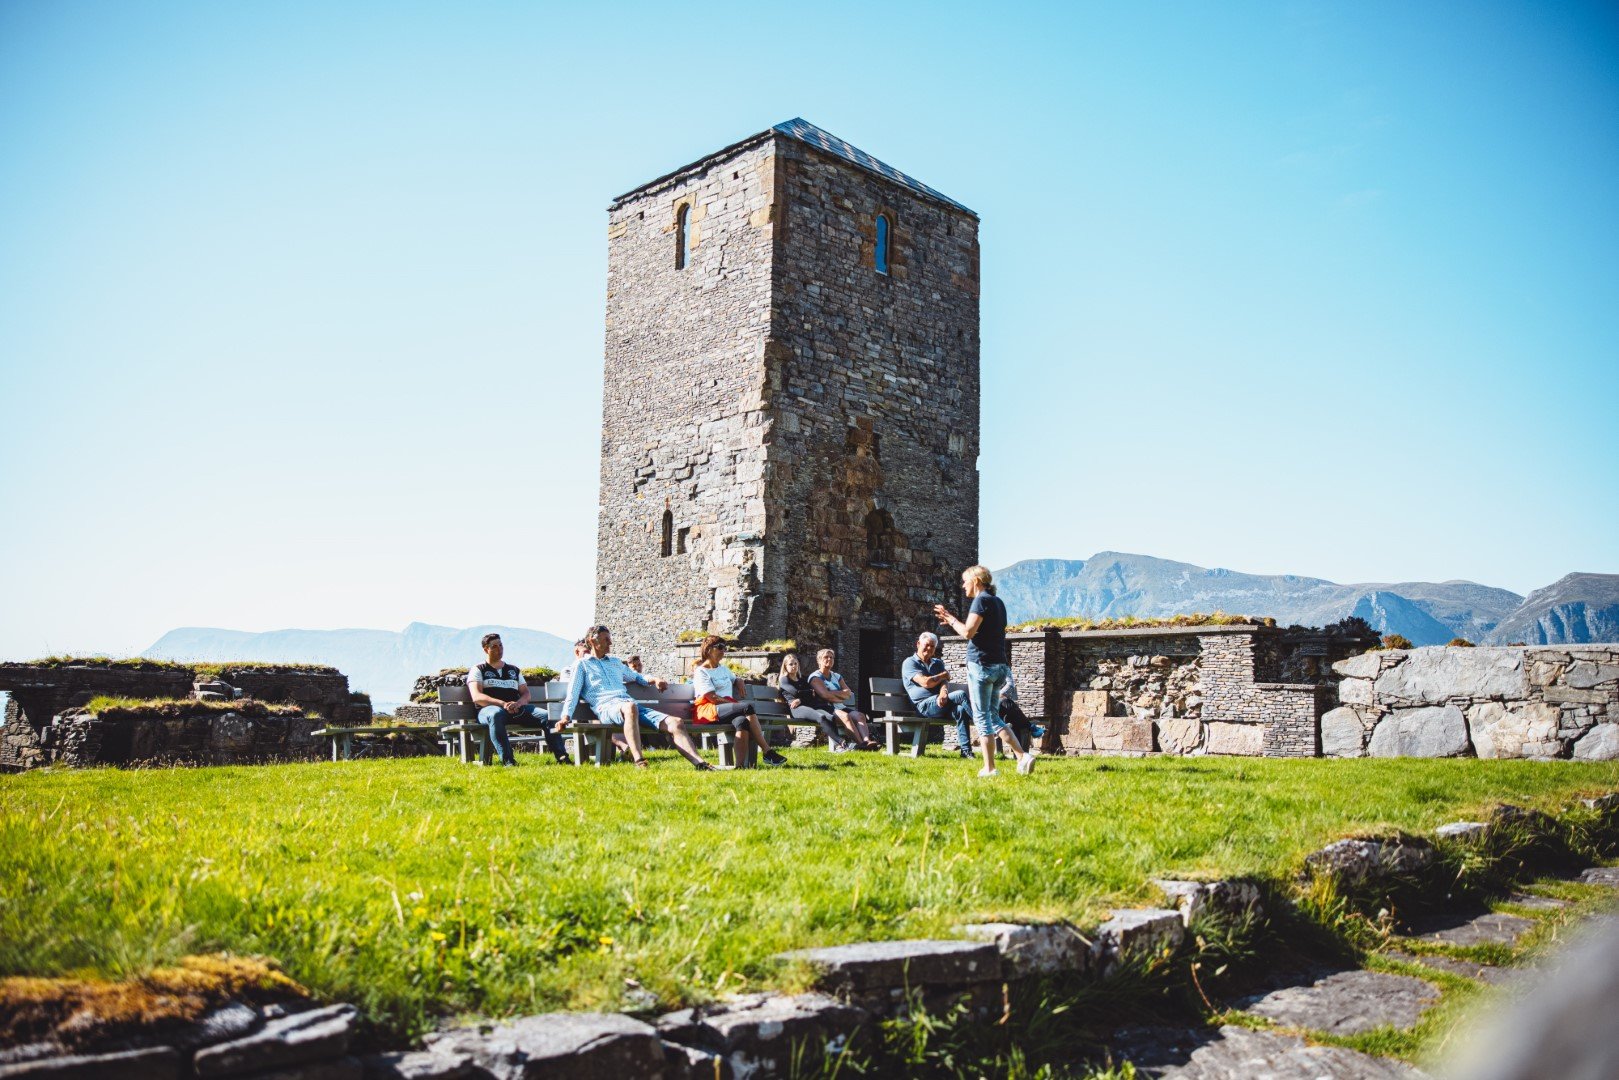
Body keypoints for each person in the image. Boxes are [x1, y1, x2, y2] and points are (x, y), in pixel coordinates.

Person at [558, 625, 713, 770]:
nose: (610, 643)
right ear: (593, 640)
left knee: (676, 722)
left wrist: (655, 679)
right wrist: (566, 717)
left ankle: (700, 764)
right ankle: (639, 761)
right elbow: (572, 693)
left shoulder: (615, 663)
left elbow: (638, 677)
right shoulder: (581, 665)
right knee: (630, 707)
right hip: (606, 709)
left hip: (631, 707)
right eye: (606, 639)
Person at [934, 566, 1037, 777]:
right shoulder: (998, 602)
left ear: (976, 581)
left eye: (965, 581)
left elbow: (968, 632)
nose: (962, 586)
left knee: (981, 717)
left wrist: (951, 619)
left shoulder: (981, 601)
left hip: (981, 665)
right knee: (993, 716)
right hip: (1000, 665)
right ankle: (1022, 756)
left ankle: (989, 768)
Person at [466, 632, 568, 766]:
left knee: (546, 716)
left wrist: (518, 703)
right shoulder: (478, 669)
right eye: (494, 646)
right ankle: (508, 761)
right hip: (488, 711)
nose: (499, 649)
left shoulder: (513, 670)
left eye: (501, 645)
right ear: (486, 649)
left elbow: (526, 694)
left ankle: (562, 758)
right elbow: (477, 696)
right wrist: (502, 704)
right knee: (496, 714)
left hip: (516, 710)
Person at [693, 636, 787, 767]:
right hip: (709, 708)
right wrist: (737, 705)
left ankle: (739, 767)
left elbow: (734, 678)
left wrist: (739, 681)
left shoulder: (723, 669)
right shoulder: (701, 672)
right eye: (720, 647)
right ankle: (767, 751)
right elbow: (711, 697)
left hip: (725, 708)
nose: (723, 651)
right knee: (747, 707)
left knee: (742, 722)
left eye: (724, 648)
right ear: (708, 649)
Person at [900, 632, 976, 758]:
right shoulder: (910, 663)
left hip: (941, 703)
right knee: (961, 694)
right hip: (923, 706)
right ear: (918, 644)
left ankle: (966, 751)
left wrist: (944, 692)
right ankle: (983, 726)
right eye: (927, 645)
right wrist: (943, 675)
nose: (929, 649)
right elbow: (925, 682)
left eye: (932, 646)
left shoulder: (937, 663)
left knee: (960, 710)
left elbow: (944, 682)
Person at [778, 652, 857, 751]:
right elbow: (795, 691)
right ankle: (842, 743)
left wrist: (800, 698)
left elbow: (812, 694)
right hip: (796, 709)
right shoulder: (784, 680)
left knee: (831, 717)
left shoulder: (802, 679)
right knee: (821, 717)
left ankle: (837, 747)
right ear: (785, 666)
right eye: (791, 664)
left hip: (806, 705)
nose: (794, 666)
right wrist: (807, 694)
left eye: (795, 663)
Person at [808, 648, 878, 749]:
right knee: (846, 717)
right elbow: (824, 696)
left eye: (831, 657)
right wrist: (840, 695)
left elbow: (848, 693)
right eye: (826, 657)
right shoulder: (815, 677)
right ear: (819, 660)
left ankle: (867, 741)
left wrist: (833, 694)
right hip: (825, 708)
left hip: (839, 706)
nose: (829, 659)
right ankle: (861, 744)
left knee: (860, 716)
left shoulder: (836, 676)